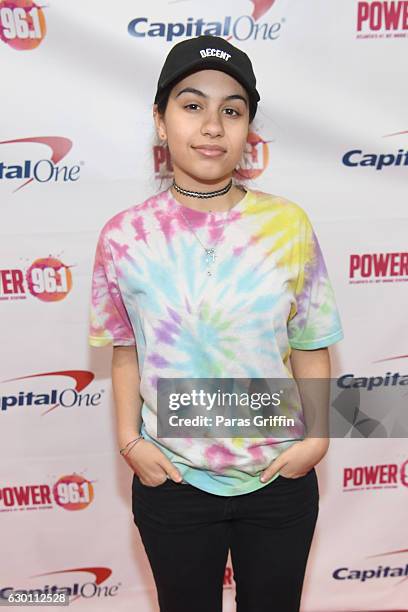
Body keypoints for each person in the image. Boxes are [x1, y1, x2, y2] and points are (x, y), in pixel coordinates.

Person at [88, 35, 344, 612]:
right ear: (160, 121)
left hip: (280, 477)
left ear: (248, 130)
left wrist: (319, 437)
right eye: (191, 104)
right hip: (173, 482)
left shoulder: (288, 224)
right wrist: (130, 442)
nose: (212, 125)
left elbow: (310, 343)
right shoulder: (124, 234)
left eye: (232, 110)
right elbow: (126, 348)